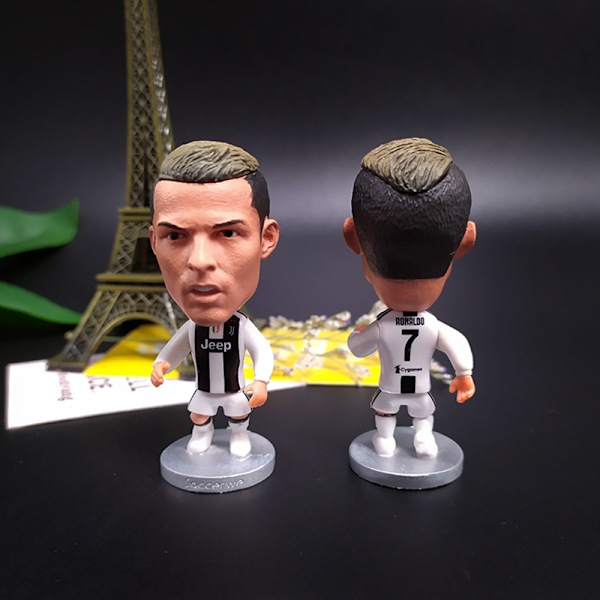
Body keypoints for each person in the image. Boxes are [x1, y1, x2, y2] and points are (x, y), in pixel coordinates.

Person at [343, 137, 476, 458]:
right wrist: (464, 374)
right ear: (464, 242)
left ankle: (387, 440)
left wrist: (357, 336)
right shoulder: (431, 325)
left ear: (353, 238)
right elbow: (456, 343)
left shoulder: (383, 325)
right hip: (419, 389)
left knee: (386, 413)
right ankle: (422, 438)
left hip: (390, 386)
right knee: (422, 416)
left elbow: (358, 349)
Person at [149, 140, 279, 458]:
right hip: (205, 389)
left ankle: (238, 436)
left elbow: (262, 352)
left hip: (234, 390)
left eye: (228, 233)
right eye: (175, 235)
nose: (200, 261)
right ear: (153, 242)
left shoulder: (241, 328)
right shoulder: (192, 329)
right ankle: (203, 434)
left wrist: (261, 381)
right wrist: (161, 364)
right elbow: (175, 349)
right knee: (198, 415)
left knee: (238, 416)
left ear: (266, 238)